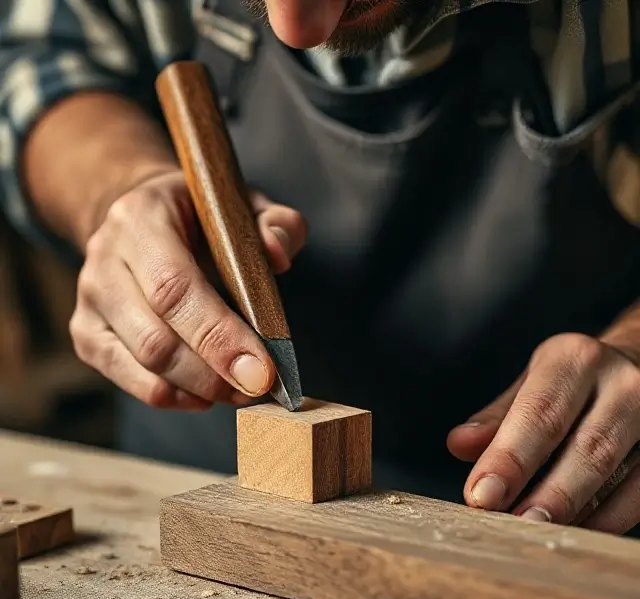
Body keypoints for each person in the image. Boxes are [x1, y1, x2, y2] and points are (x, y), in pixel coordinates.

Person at [1, 0, 640, 536]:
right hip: (192, 479)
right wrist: (121, 182)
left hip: (545, 524)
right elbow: (39, 58)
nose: (297, 28)